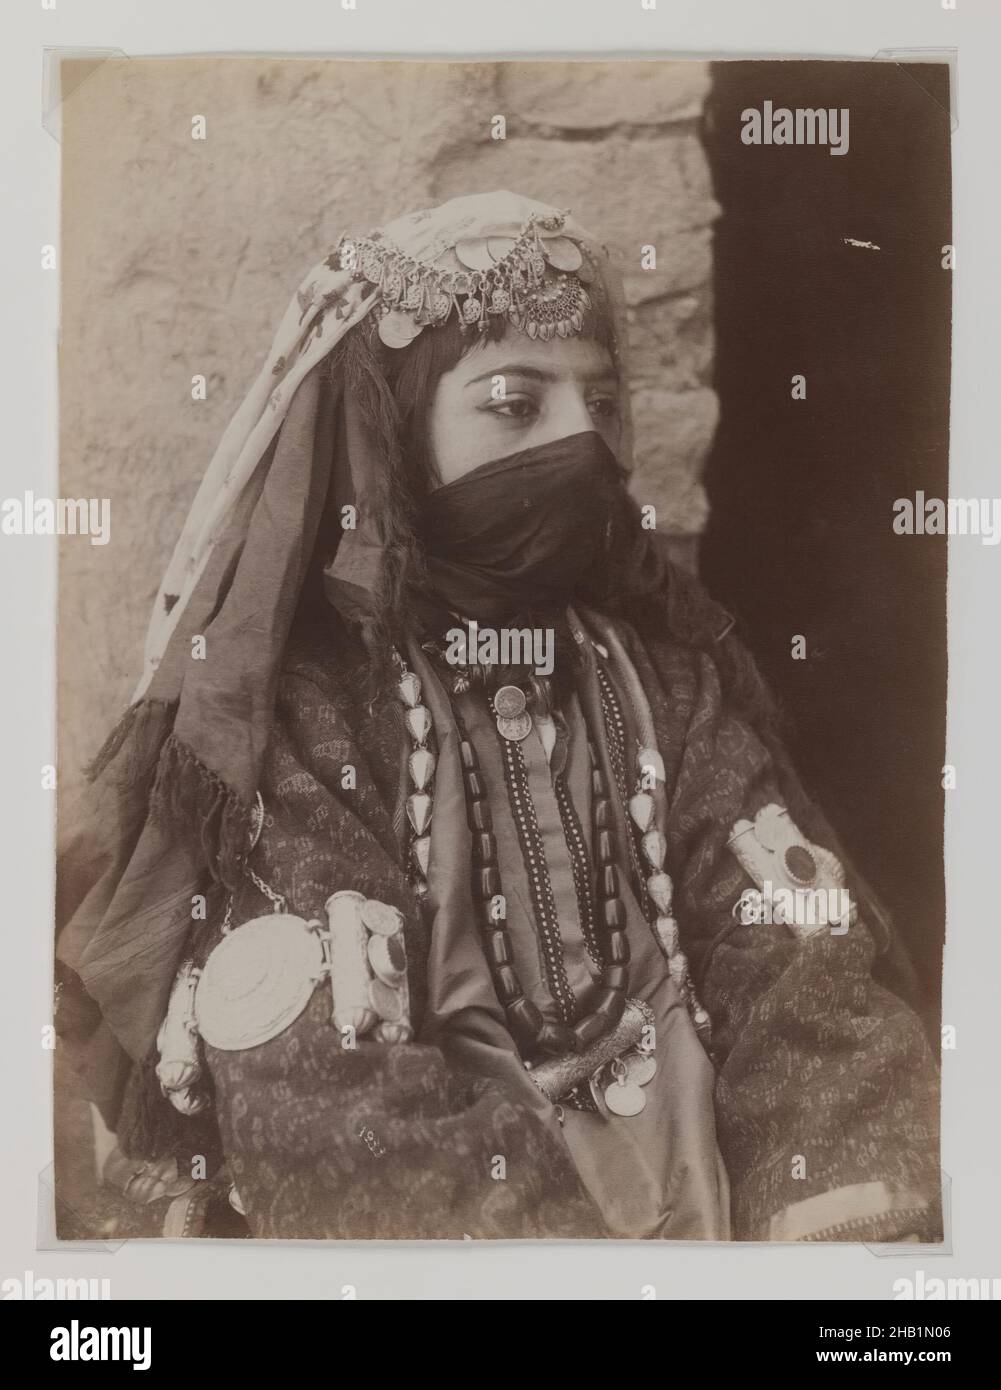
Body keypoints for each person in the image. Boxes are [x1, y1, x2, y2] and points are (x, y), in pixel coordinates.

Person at [56, 190, 941, 1242]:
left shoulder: (664, 686)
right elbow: (323, 1091)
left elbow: (798, 972)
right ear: (392, 435)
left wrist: (817, 1232)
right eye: (516, 404)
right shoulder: (308, 721)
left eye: (601, 404)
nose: (585, 446)